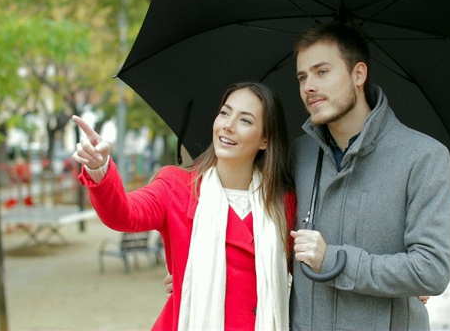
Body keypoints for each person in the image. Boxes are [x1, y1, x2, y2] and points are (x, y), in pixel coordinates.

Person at [72, 82, 296, 330]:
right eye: (224, 112)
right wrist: (99, 167)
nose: (228, 126)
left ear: (265, 139)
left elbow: (292, 279)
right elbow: (123, 214)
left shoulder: (283, 203)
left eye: (245, 120)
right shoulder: (176, 186)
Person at [288, 23, 450, 330]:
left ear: (358, 74)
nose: (308, 86)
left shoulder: (423, 157)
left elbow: (432, 270)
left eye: (321, 71)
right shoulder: (299, 154)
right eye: (302, 77)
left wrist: (335, 262)